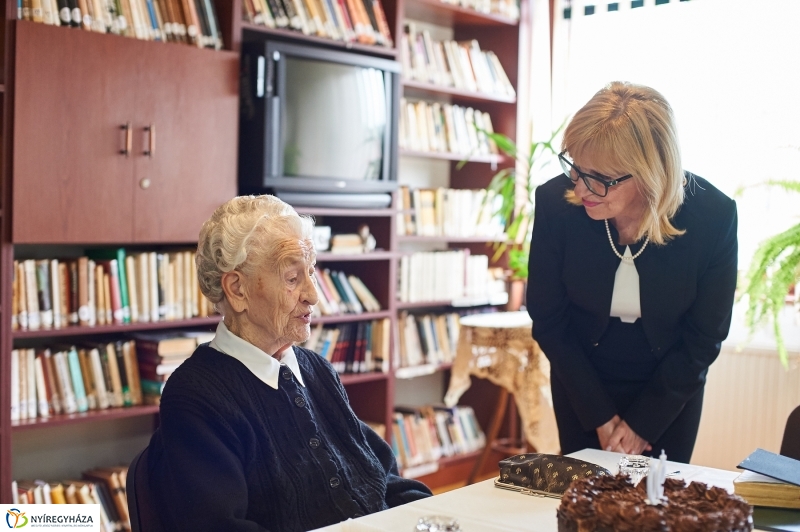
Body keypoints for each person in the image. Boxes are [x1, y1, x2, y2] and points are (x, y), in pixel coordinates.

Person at [145, 195, 432, 531]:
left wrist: (431, 515)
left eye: (311, 272)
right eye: (293, 278)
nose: (313, 295)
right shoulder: (196, 395)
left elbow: (379, 475)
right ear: (237, 289)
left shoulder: (316, 370)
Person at [527, 82, 738, 463]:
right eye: (576, 167)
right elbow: (548, 317)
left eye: (600, 179)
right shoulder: (556, 203)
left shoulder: (712, 218)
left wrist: (643, 424)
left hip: (669, 391)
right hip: (581, 381)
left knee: (660, 496)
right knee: (583, 493)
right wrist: (599, 416)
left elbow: (704, 337)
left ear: (649, 173)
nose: (581, 189)